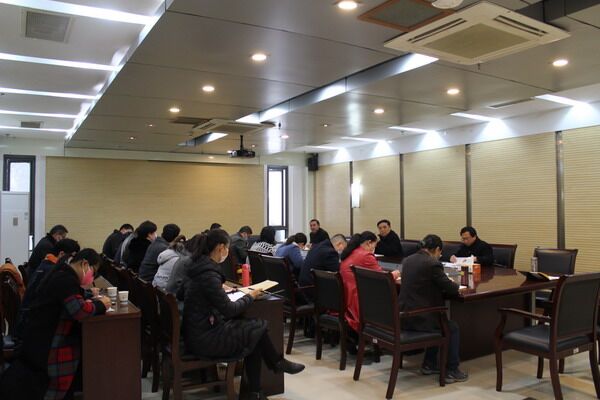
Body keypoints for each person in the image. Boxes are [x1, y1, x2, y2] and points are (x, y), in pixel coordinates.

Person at [183, 229, 304, 400]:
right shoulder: (208, 275)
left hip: (197, 330)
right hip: (204, 338)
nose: (227, 252)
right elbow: (230, 310)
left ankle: (257, 390)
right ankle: (275, 365)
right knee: (257, 329)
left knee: (254, 333)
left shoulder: (199, 268)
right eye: (227, 248)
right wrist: (250, 296)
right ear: (220, 247)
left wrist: (220, 290)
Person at [0, 249, 111, 400]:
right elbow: (79, 311)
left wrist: (90, 298)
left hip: (37, 340)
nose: (92, 277)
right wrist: (101, 304)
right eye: (94, 271)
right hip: (48, 347)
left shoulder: (61, 272)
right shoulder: (65, 279)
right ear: (84, 264)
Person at [398, 234, 468, 383]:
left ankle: (429, 364)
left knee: (438, 320)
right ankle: (452, 370)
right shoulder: (432, 263)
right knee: (451, 327)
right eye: (440, 252)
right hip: (419, 318)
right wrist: (455, 285)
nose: (439, 255)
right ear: (437, 249)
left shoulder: (408, 260)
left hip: (403, 316)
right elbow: (451, 288)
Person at [339, 231, 400, 334]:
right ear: (369, 243)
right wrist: (395, 274)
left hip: (347, 298)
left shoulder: (353, 252)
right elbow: (383, 278)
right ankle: (391, 332)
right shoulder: (366, 255)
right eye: (374, 246)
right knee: (394, 296)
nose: (374, 249)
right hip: (359, 300)